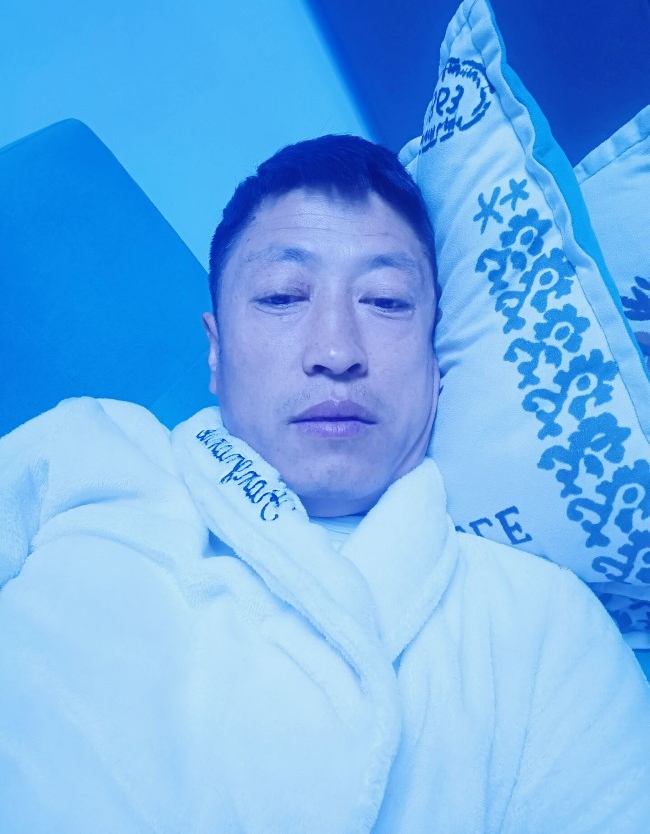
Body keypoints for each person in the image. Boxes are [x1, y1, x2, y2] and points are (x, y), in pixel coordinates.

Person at [0, 134, 649, 833]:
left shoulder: (538, 621)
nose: (337, 351)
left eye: (386, 301)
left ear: (438, 353)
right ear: (215, 351)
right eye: (282, 296)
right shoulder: (84, 452)